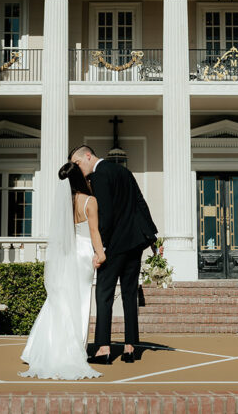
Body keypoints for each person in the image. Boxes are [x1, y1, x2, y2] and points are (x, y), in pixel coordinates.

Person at [70, 145, 157, 364]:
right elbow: (140, 204)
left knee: (104, 295)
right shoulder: (125, 172)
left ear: (88, 156)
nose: (78, 169)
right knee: (129, 295)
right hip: (134, 244)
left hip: (114, 248)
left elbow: (105, 216)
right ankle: (130, 347)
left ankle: (103, 349)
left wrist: (101, 249)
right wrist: (152, 238)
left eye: (78, 163)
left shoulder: (99, 176)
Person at [19, 162, 105, 379]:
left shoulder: (63, 203)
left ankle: (37, 348)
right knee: (81, 301)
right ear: (80, 179)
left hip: (67, 254)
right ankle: (75, 348)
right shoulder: (90, 201)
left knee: (60, 300)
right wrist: (101, 254)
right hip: (84, 254)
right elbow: (94, 232)